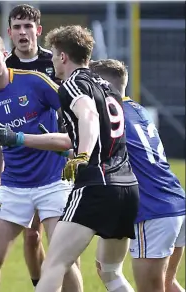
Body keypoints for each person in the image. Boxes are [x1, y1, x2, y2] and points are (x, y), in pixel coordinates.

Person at [0, 25, 139, 292]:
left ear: (64, 57)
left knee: (54, 263)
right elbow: (104, 138)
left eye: (54, 55)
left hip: (97, 184)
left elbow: (88, 116)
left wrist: (81, 155)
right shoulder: (107, 87)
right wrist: (66, 150)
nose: (52, 60)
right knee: (112, 274)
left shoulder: (72, 85)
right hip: (126, 186)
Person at [0, 30, 83, 292]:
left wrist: (73, 146)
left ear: (4, 55)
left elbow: (73, 111)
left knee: (64, 259)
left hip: (55, 182)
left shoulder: (35, 81)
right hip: (14, 187)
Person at [89, 59, 186, 292]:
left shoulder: (110, 116)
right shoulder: (136, 109)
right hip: (175, 203)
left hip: (152, 211)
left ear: (100, 86)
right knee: (163, 282)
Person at [5, 4, 68, 286]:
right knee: (31, 236)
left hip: (58, 160)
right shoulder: (2, 67)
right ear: (9, 32)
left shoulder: (54, 63)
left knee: (64, 240)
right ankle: (38, 284)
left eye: (28, 26)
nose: (22, 32)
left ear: (38, 31)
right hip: (22, 163)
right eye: (17, 27)